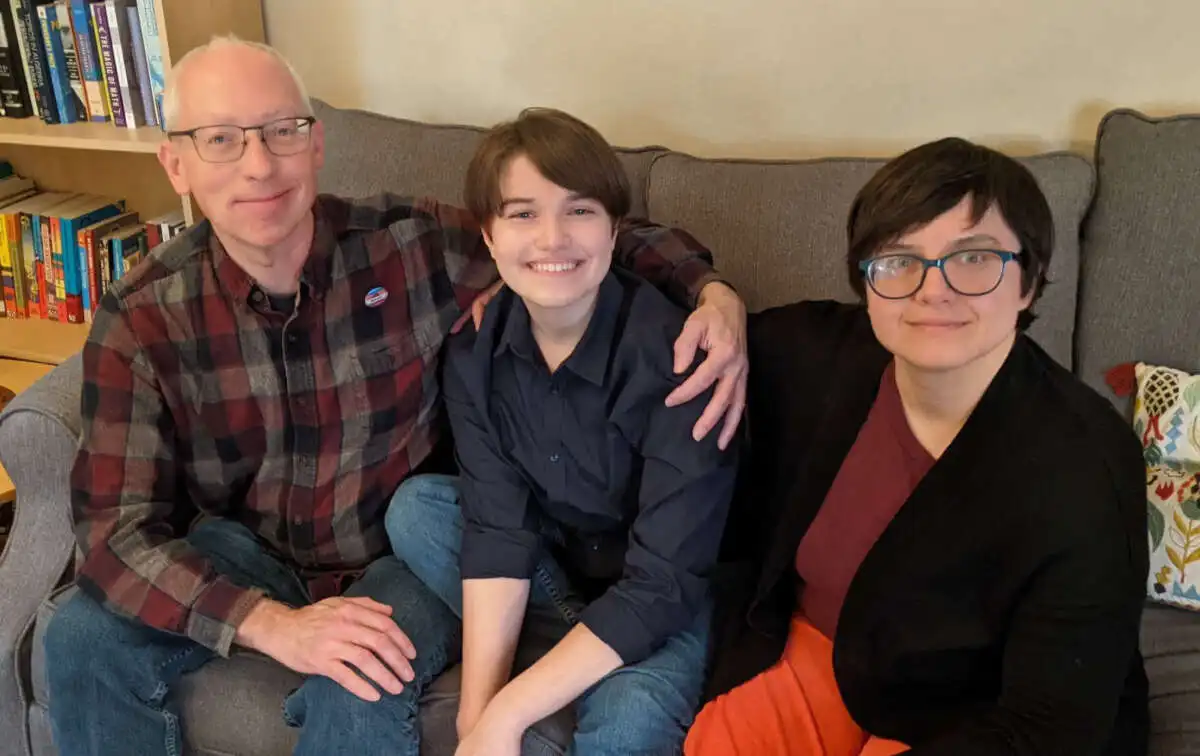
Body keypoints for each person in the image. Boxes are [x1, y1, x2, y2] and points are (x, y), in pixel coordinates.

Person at [42, 37, 748, 756]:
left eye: (281, 132)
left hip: (392, 559)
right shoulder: (144, 312)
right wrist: (268, 622)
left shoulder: (410, 248)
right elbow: (111, 533)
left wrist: (712, 293)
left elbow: (571, 247)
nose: (258, 164)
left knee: (362, 670)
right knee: (76, 636)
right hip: (243, 554)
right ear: (177, 163)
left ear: (316, 145)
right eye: (221, 139)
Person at [686, 138, 1149, 755]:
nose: (933, 289)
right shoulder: (820, 355)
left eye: (974, 258)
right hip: (826, 653)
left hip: (977, 716)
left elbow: (1047, 728)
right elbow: (616, 276)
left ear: (1029, 283)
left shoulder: (1087, 471)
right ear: (866, 282)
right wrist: (714, 294)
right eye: (899, 260)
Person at [383, 108, 739, 756]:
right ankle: (574, 650)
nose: (553, 239)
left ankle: (575, 661)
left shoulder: (686, 354)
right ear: (488, 238)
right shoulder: (475, 352)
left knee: (630, 719)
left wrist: (511, 712)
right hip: (560, 571)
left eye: (579, 211)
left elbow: (665, 582)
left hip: (669, 592)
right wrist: (476, 719)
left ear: (613, 230)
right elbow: (498, 530)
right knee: (417, 512)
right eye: (522, 214)